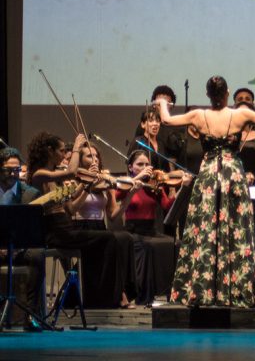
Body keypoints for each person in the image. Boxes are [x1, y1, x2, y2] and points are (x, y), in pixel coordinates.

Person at [157, 75, 255, 307]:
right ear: (227, 94)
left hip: (208, 176)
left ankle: (204, 290)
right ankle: (234, 288)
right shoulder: (240, 114)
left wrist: (163, 103)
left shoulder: (198, 115)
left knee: (205, 229)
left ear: (207, 95)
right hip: (231, 175)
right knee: (234, 228)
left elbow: (165, 120)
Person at [27, 132, 121, 308]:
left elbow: (70, 208)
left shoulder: (56, 177)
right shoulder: (40, 175)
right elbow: (71, 172)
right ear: (49, 151)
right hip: (55, 232)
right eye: (62, 151)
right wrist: (77, 147)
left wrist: (87, 185)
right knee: (108, 239)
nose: (64, 155)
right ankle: (101, 297)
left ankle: (92, 296)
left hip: (66, 229)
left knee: (105, 240)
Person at [115, 150, 188, 306]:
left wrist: (180, 188)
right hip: (133, 231)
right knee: (148, 247)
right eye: (140, 164)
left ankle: (172, 293)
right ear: (130, 167)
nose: (145, 167)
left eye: (147, 164)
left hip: (151, 231)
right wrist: (137, 178)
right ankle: (143, 297)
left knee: (177, 244)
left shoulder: (154, 185)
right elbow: (117, 195)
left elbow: (167, 206)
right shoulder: (127, 183)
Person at [68, 144, 137, 307]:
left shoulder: (105, 182)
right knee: (111, 240)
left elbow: (113, 216)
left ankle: (122, 291)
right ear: (80, 160)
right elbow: (72, 209)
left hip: (100, 227)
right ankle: (120, 294)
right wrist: (86, 185)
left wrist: (129, 196)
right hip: (80, 227)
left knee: (125, 239)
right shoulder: (74, 180)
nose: (95, 159)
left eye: (96, 156)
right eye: (89, 156)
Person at [0, 148, 45, 330]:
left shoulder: (30, 194)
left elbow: (32, 230)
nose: (13, 174)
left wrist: (18, 246)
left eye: (17, 170)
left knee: (37, 255)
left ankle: (29, 314)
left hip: (19, 247)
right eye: (8, 169)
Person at [128, 106, 171, 171]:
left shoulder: (161, 143)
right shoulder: (138, 142)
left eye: (158, 121)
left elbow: (167, 169)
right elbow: (130, 167)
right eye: (151, 121)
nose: (155, 124)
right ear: (143, 124)